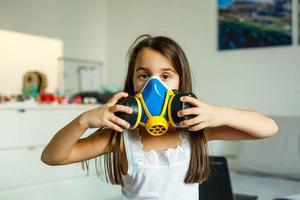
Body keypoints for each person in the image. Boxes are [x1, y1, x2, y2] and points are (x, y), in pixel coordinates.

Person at [41, 35, 278, 200]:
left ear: (180, 83)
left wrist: (219, 114)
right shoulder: (121, 136)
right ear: (132, 82)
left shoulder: (195, 129)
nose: (154, 85)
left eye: (166, 76)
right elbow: (52, 157)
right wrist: (83, 120)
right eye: (144, 76)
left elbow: (268, 128)